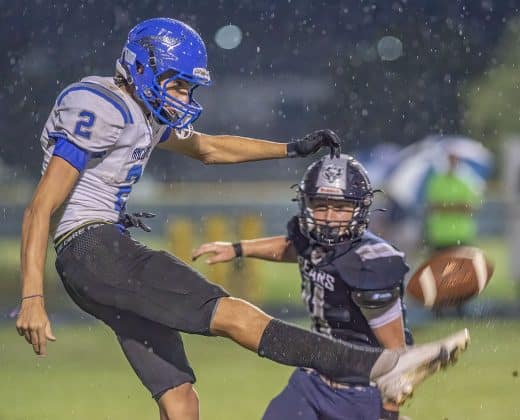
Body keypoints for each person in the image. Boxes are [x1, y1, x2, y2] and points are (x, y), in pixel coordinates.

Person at [16, 18, 468, 420]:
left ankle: (385, 367)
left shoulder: (142, 111)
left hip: (96, 261)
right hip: (95, 250)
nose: (183, 97)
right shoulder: (102, 107)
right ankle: (385, 366)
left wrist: (291, 148)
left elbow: (211, 148)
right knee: (232, 315)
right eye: (176, 85)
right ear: (141, 68)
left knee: (180, 400)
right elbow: (40, 207)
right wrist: (32, 296)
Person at [192, 154, 449, 420]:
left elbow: (397, 355)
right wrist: (237, 248)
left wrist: (389, 409)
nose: (328, 216)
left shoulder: (370, 261)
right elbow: (292, 248)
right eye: (320, 205)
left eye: (339, 207)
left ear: (358, 209)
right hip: (313, 377)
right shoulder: (313, 241)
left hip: (359, 389)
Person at [424, 151, 481, 252]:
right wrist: (457, 206)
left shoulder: (467, 182)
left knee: (460, 267)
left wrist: (445, 206)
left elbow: (471, 207)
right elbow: (432, 207)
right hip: (440, 236)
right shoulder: (436, 182)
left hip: (462, 235)